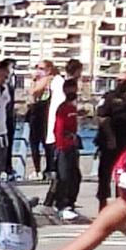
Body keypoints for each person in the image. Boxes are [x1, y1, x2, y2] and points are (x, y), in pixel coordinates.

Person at [93, 72, 126, 208]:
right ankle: (102, 204)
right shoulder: (109, 97)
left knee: (123, 174)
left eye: (124, 81)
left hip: (125, 142)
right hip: (108, 142)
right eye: (118, 80)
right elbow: (102, 117)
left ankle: (121, 202)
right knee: (105, 174)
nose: (120, 83)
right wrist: (110, 138)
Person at [49, 76, 82, 221]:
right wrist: (61, 145)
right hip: (63, 147)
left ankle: (70, 203)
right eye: (70, 89)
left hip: (72, 147)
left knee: (75, 176)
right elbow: (59, 129)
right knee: (64, 177)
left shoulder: (72, 108)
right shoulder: (63, 108)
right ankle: (61, 205)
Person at [24, 61, 55, 178]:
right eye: (37, 68)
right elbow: (33, 97)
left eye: (41, 68)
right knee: (34, 143)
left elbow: (34, 92)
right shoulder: (40, 80)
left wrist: (33, 81)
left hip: (43, 113)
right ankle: (38, 168)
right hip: (36, 112)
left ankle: (49, 168)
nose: (38, 70)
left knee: (45, 141)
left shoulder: (47, 79)